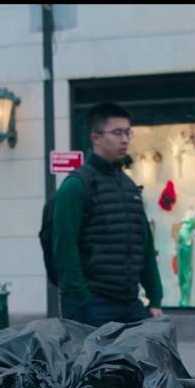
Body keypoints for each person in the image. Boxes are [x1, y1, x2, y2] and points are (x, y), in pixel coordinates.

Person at [52, 102, 164, 327]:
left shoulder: (129, 186)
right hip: (92, 302)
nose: (125, 139)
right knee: (91, 363)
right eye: (117, 132)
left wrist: (155, 296)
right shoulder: (76, 185)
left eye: (128, 132)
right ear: (96, 137)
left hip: (129, 302)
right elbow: (64, 247)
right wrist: (82, 298)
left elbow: (144, 243)